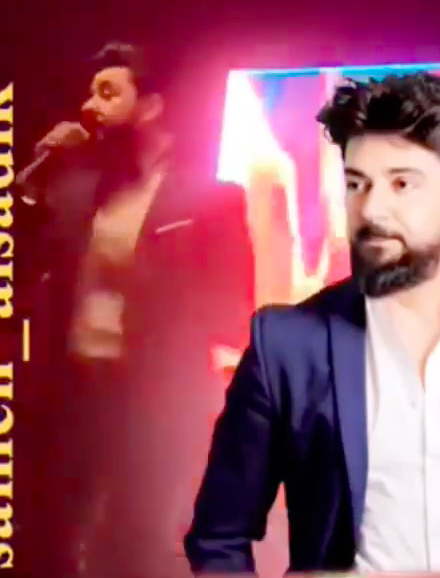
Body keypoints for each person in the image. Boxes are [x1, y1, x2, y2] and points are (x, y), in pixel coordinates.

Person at [184, 71, 440, 573]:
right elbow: (219, 538)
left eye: (401, 183)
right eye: (356, 184)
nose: (372, 208)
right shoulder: (287, 347)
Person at [15, 42, 253, 577]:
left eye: (107, 93)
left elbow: (230, 304)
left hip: (151, 402)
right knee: (51, 535)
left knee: (134, 541)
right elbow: (21, 263)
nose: (89, 107)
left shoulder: (209, 198)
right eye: (89, 93)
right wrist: (36, 176)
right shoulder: (80, 190)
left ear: (150, 106)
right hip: (74, 395)